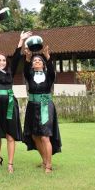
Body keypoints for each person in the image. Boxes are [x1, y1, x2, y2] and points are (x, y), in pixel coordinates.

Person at [0, 31, 32, 173]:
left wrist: (21, 41)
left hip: (10, 104)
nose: (2, 62)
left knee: (10, 135)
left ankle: (10, 164)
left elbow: (16, 57)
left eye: (4, 60)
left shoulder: (11, 71)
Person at [23, 41, 62, 174]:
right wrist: (28, 58)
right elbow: (25, 70)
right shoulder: (30, 75)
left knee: (45, 136)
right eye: (35, 61)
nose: (37, 61)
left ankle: (49, 165)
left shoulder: (48, 75)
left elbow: (51, 71)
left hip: (46, 105)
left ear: (43, 64)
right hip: (32, 107)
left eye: (39, 60)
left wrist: (47, 56)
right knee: (35, 136)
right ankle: (44, 159)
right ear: (32, 65)